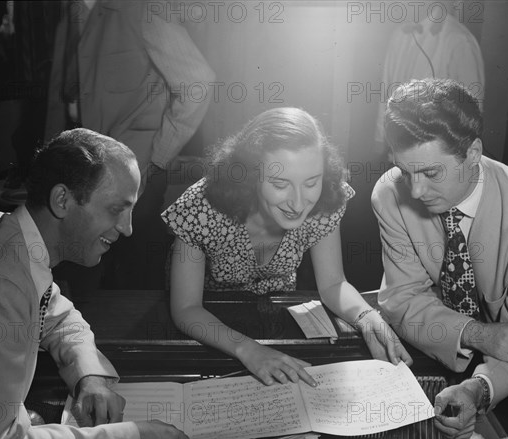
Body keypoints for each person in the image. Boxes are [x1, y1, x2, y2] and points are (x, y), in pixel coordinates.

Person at [0, 128, 189, 439]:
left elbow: (57, 315)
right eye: (117, 208)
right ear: (63, 200)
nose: (127, 228)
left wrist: (90, 375)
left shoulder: (7, 234)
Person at [162, 107, 412, 387]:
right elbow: (186, 308)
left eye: (310, 182)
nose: (298, 202)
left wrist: (367, 317)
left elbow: (332, 284)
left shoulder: (326, 199)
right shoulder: (200, 206)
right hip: (209, 324)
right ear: (249, 175)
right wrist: (250, 351)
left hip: (275, 317)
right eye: (280, 184)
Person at [371, 78, 508, 439]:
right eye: (406, 171)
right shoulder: (389, 193)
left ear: (473, 153)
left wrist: (478, 388)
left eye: (431, 173)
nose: (415, 191)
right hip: (436, 354)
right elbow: (401, 300)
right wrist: (477, 333)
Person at [45, 0, 215, 290]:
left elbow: (197, 84)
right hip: (81, 172)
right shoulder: (71, 13)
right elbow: (59, 98)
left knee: (134, 281)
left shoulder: (144, 8)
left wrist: (158, 156)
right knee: (84, 281)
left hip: (136, 176)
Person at [373, 1, 484, 156]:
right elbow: (385, 93)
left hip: (436, 156)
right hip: (396, 149)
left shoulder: (459, 40)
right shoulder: (399, 35)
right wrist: (379, 142)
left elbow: (472, 112)